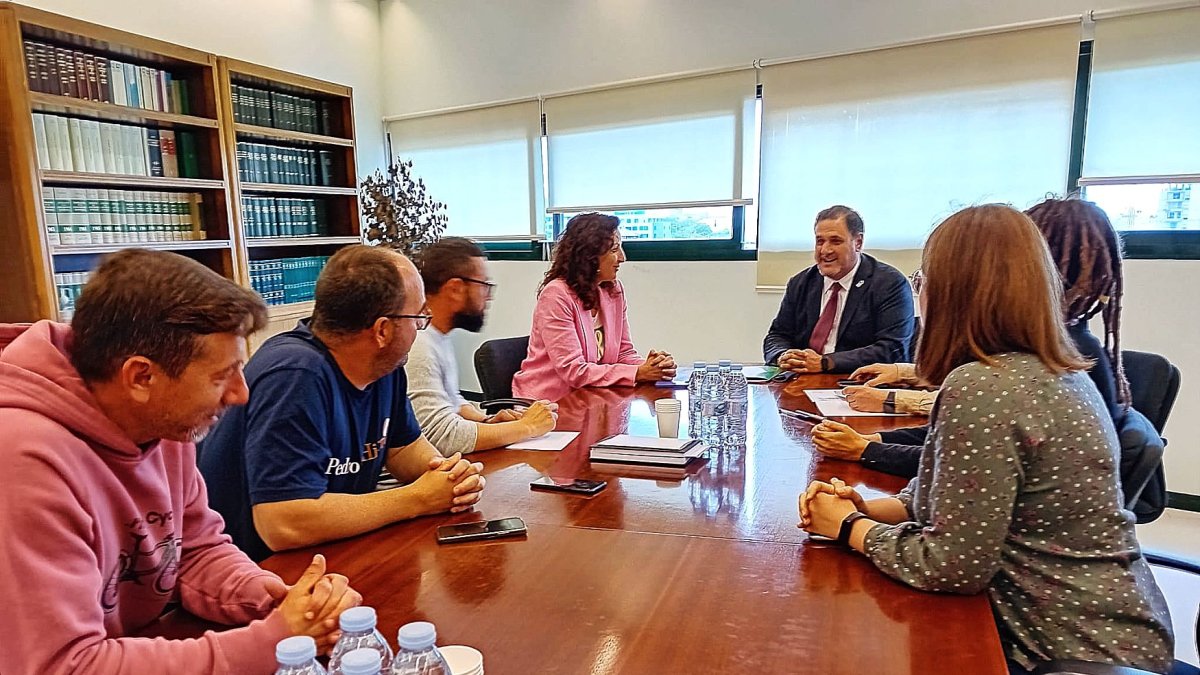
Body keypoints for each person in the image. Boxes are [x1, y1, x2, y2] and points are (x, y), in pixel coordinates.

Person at [799, 205, 1173, 673]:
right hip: (1116, 629)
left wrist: (849, 528)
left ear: (955, 292)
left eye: (925, 278)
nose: (921, 291)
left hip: (1068, 649)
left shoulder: (985, 387)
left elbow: (951, 566)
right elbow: (964, 499)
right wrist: (869, 507)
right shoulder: (1059, 369)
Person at [0, 249, 362, 674]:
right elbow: (65, 666)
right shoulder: (23, 458)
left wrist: (268, 598)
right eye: (219, 376)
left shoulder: (164, 419)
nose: (240, 394)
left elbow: (192, 548)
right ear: (141, 377)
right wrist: (272, 640)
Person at [199, 245, 486, 562]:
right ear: (382, 330)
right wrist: (418, 498)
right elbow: (282, 523)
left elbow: (403, 449)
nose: (422, 327)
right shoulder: (295, 375)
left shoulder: (383, 367)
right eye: (419, 317)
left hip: (332, 552)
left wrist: (450, 478)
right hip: (257, 571)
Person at [813, 197, 1132, 478]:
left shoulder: (1035, 369)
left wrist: (855, 513)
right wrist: (900, 380)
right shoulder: (1056, 346)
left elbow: (958, 459)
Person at [406, 237, 558, 454]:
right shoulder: (419, 344)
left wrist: (486, 421)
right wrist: (528, 426)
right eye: (484, 286)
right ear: (455, 289)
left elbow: (452, 401)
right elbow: (442, 437)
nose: (488, 297)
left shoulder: (438, 336)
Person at [512, 213, 676, 401]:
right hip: (550, 404)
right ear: (590, 256)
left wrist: (653, 367)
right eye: (614, 250)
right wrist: (639, 372)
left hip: (593, 398)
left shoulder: (613, 290)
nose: (622, 258)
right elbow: (574, 371)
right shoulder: (556, 295)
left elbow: (623, 353)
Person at [763, 205, 914, 374]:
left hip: (858, 381)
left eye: (835, 241)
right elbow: (777, 335)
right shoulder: (801, 282)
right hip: (801, 380)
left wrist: (826, 362)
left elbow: (892, 349)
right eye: (820, 241)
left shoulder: (890, 284)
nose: (825, 250)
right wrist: (782, 355)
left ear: (858, 242)